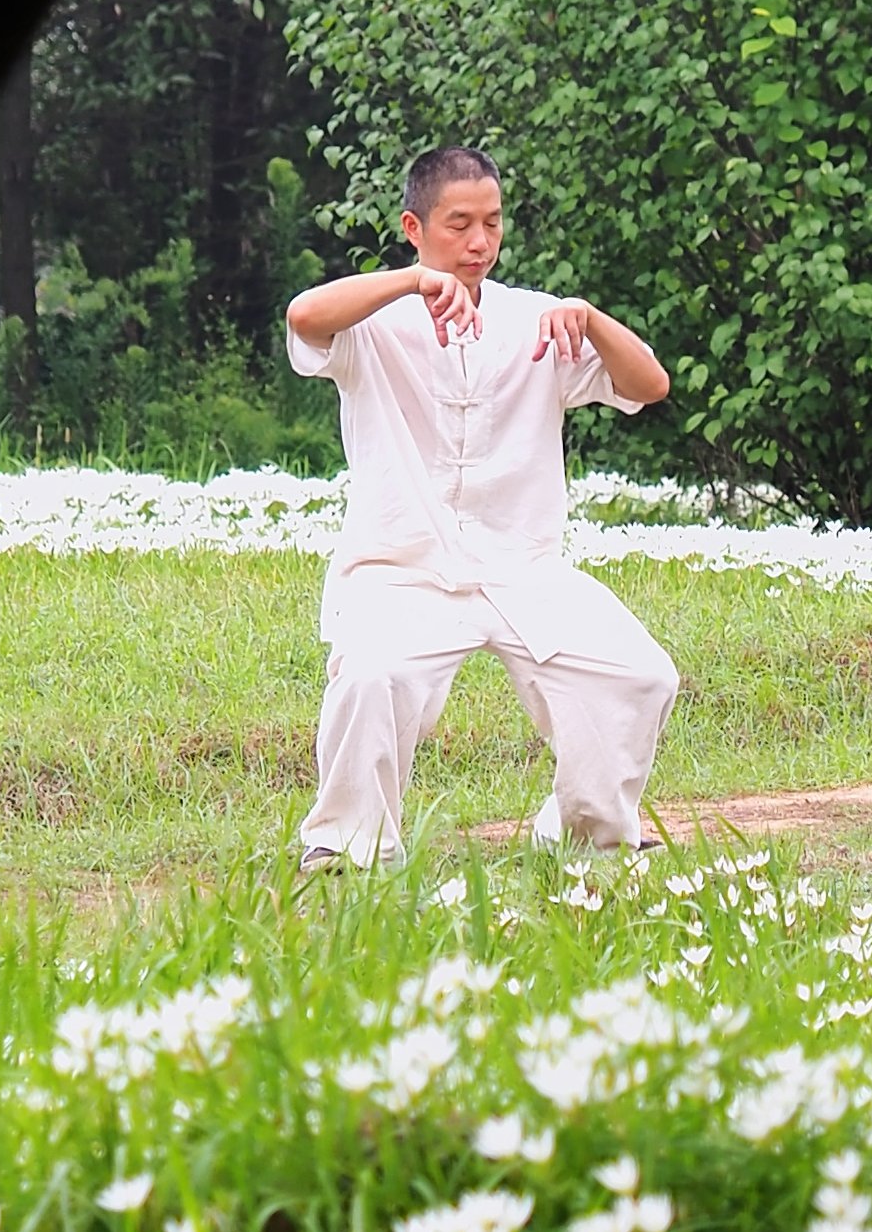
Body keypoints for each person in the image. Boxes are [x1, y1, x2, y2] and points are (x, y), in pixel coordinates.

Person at [282, 146, 679, 866]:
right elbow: (305, 315)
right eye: (458, 223)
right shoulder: (377, 321)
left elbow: (649, 383)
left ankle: (583, 829)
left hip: (522, 569)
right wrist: (411, 282)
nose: (478, 242)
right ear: (414, 225)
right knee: (370, 674)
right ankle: (348, 846)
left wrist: (589, 318)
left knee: (639, 674)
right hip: (403, 568)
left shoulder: (540, 320)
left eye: (492, 223)